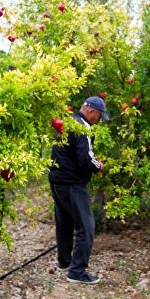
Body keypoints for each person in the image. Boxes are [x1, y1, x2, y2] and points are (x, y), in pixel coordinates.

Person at [48, 96, 109, 284]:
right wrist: (98, 166)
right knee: (86, 226)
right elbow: (85, 159)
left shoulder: (68, 123)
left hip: (57, 180)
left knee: (64, 221)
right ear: (91, 111)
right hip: (72, 183)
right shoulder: (82, 127)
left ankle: (64, 261)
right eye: (99, 116)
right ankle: (77, 272)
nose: (99, 120)